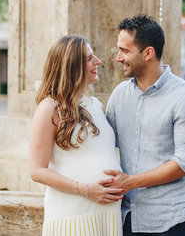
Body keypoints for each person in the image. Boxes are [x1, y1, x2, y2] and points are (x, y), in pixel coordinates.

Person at [105, 15, 185, 235]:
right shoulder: (119, 95)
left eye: (124, 50)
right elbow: (102, 143)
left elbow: (184, 163)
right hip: (129, 217)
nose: (118, 58)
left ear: (148, 53)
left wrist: (130, 182)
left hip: (172, 219)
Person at [28, 35, 124, 236]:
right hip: (73, 215)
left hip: (106, 213)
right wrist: (86, 190)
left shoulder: (95, 104)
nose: (98, 61)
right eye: (89, 58)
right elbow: (37, 171)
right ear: (71, 66)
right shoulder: (49, 108)